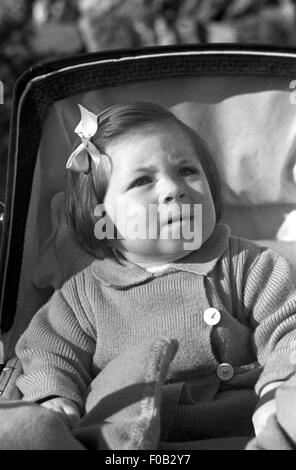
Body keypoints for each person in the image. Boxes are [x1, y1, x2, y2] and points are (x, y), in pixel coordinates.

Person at [15, 101, 296, 447]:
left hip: (251, 432)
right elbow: (48, 351)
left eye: (187, 171)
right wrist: (55, 397)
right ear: (101, 216)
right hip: (129, 441)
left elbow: (288, 331)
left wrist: (275, 391)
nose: (173, 188)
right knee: (28, 432)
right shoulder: (84, 297)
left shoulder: (249, 265)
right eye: (143, 180)